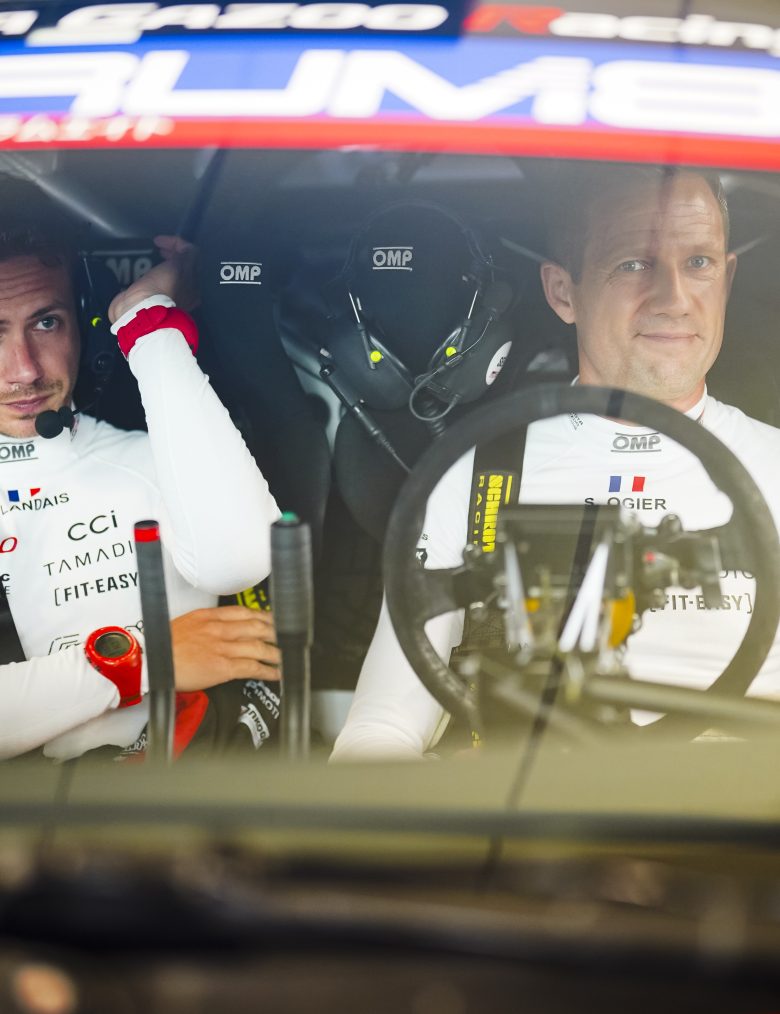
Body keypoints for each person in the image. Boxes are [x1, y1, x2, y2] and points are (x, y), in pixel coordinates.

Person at [331, 165, 780, 761]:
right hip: (531, 798)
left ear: (727, 278)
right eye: (634, 264)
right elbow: (381, 726)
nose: (675, 299)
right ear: (563, 292)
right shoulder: (478, 475)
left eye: (699, 262)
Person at [0, 172, 281, 761]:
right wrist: (150, 659)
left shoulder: (149, 457)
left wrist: (144, 320)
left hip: (173, 801)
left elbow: (243, 557)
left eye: (46, 322)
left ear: (83, 317)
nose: (24, 370)